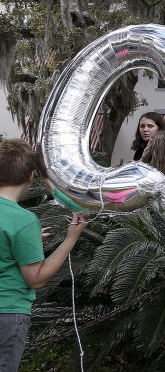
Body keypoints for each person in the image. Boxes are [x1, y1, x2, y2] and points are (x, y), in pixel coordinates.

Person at [0, 140, 87, 372]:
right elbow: (36, 279)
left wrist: (26, 242)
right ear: (30, 177)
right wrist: (71, 239)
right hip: (7, 312)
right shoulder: (23, 220)